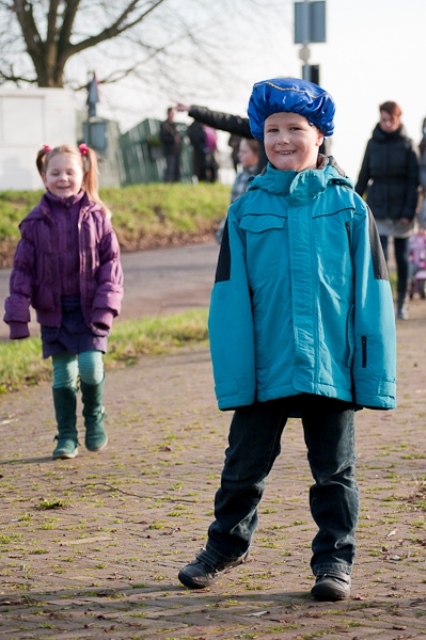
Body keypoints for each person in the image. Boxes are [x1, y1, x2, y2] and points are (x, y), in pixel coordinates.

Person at [177, 77, 396, 601]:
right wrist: (235, 377)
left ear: (319, 136)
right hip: (265, 367)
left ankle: (334, 562)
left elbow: (373, 295)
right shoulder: (245, 211)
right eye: (271, 130)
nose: (282, 139)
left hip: (332, 367)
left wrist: (373, 376)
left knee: (334, 474)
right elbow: (229, 300)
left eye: (295, 129)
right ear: (258, 138)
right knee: (241, 469)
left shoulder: (349, 208)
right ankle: (226, 546)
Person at [3, 143, 124, 460]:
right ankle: (67, 435)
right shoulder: (34, 223)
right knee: (62, 375)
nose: (63, 178)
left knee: (90, 367)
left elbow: (111, 265)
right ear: (44, 177)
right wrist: (17, 314)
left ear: (83, 174)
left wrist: (105, 308)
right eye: (55, 172)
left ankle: (94, 416)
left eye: (70, 172)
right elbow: (23, 270)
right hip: (54, 312)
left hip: (90, 310)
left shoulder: (98, 217)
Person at [355, 101, 419, 320]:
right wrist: (354, 200)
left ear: (398, 119)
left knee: (401, 258)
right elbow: (364, 175)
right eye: (384, 119)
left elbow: (414, 181)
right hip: (378, 207)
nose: (387, 123)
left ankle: (401, 302)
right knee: (377, 257)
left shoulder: (408, 145)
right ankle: (381, 302)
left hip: (402, 209)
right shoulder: (372, 144)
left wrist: (409, 211)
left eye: (391, 119)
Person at [215, 137, 260, 243]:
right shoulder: (240, 176)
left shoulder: (261, 178)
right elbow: (233, 208)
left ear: (257, 155)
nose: (239, 155)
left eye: (244, 152)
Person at [159, 107, 182, 183]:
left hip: (177, 151)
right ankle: (168, 183)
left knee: (177, 169)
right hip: (169, 151)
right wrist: (172, 139)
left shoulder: (176, 125)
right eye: (171, 113)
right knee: (170, 169)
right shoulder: (164, 125)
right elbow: (163, 138)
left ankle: (176, 184)